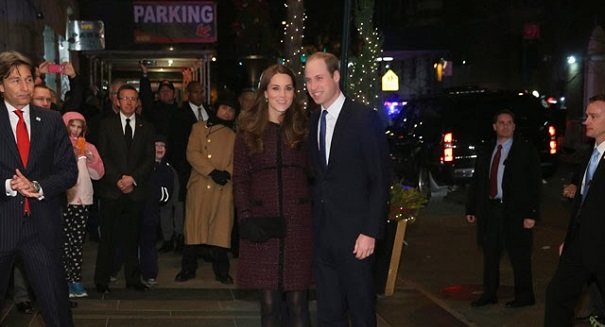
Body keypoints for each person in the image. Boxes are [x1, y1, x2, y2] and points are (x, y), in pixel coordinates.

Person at [305, 52, 390, 326]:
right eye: (308, 81)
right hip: (323, 237)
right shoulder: (313, 121)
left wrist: (370, 232)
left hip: (357, 238)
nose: (313, 86)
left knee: (362, 312)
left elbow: (379, 179)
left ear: (336, 76)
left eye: (319, 78)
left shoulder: (364, 118)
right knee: (329, 315)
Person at [0, 50, 78, 326]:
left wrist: (37, 185)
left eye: (29, 79)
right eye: (15, 80)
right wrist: (8, 185)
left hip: (41, 227)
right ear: (1, 85)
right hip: (3, 223)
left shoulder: (52, 121)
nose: (25, 87)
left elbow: (69, 171)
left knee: (57, 310)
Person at [234, 64, 313, 326]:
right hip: (262, 224)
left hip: (298, 227)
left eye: (288, 88)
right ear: (265, 92)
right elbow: (241, 178)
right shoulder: (248, 129)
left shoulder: (304, 127)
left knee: (298, 303)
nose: (283, 94)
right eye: (276, 88)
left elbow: (316, 176)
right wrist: (245, 217)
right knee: (268, 305)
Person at [465, 109, 541, 308]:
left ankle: (525, 296)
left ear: (514, 127)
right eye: (501, 122)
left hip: (515, 212)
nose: (505, 126)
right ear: (494, 126)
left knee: (519, 255)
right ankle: (489, 294)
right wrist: (471, 208)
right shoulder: (487, 149)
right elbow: (478, 180)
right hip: (490, 211)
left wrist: (531, 213)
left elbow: (534, 184)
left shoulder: (525, 150)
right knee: (490, 255)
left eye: (509, 123)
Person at [545, 94, 605, 326]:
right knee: (557, 296)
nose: (586, 121)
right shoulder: (590, 154)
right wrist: (568, 240)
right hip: (579, 244)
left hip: (601, 245)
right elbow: (583, 203)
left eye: (594, 116)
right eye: (587, 115)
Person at [93, 84, 156, 293]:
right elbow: (103, 155)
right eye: (125, 98)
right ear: (117, 101)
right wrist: (119, 180)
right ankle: (101, 281)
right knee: (107, 239)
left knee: (133, 238)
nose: (129, 102)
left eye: (133, 98)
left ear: (138, 102)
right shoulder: (105, 125)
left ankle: (133, 279)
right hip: (112, 190)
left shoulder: (147, 127)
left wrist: (132, 179)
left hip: (136, 191)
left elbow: (149, 159)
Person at [175, 96, 237, 284]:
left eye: (231, 110)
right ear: (216, 109)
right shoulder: (199, 128)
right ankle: (188, 268)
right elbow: (192, 153)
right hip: (201, 184)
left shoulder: (235, 135)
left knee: (220, 232)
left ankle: (222, 271)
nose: (227, 112)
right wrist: (211, 171)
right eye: (224, 108)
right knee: (194, 230)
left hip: (223, 187)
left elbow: (239, 159)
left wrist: (227, 172)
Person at [61, 111, 105, 298]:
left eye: (79, 127)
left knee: (77, 243)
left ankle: (75, 281)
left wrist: (89, 158)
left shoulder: (89, 147)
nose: (76, 130)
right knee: (63, 242)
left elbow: (99, 174)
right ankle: (63, 281)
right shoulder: (59, 146)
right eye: (72, 126)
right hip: (63, 199)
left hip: (83, 199)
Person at [139, 135, 174, 288]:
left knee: (149, 243)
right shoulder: (142, 165)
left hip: (151, 211)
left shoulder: (166, 169)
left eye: (163, 146)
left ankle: (150, 274)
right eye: (156, 145)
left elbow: (166, 194)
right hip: (136, 208)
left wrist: (155, 197)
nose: (159, 149)